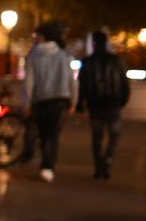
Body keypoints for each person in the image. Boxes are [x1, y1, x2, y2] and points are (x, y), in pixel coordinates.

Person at [25, 21, 76, 183]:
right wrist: (74, 100)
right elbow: (72, 81)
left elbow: (29, 82)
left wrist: (26, 103)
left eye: (37, 35)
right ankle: (48, 167)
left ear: (43, 36)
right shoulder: (64, 55)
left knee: (45, 133)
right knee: (53, 135)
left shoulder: (34, 55)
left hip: (42, 100)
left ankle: (46, 166)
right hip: (61, 100)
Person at [76, 30, 130, 180]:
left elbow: (83, 87)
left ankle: (99, 168)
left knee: (97, 137)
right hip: (113, 104)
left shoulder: (87, 62)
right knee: (114, 135)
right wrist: (122, 101)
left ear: (93, 43)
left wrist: (81, 105)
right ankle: (108, 159)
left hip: (96, 105)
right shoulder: (116, 60)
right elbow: (125, 84)